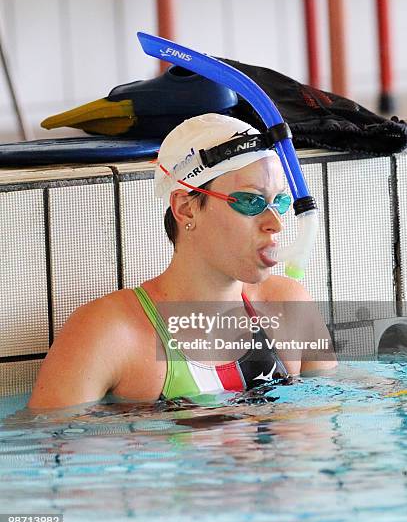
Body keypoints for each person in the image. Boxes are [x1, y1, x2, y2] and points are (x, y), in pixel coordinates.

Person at [28, 114, 336, 409]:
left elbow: (324, 432)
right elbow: (50, 448)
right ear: (186, 208)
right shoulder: (110, 333)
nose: (275, 223)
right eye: (250, 201)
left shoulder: (288, 305)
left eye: (279, 201)